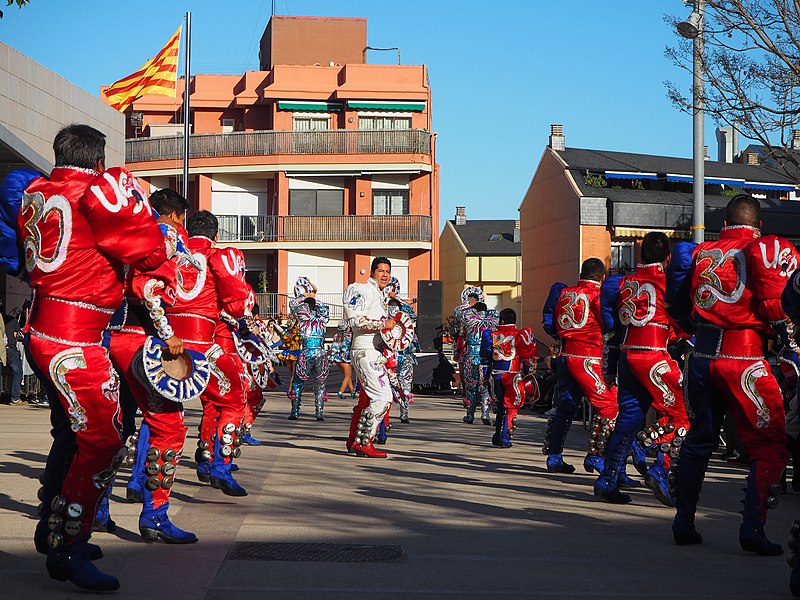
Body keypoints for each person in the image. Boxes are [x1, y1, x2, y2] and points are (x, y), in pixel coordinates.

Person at [20, 124, 169, 591]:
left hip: (41, 326)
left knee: (70, 431)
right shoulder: (96, 193)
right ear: (99, 160)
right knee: (104, 440)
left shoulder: (36, 189)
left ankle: (53, 524)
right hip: (76, 339)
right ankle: (69, 545)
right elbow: (150, 252)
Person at [667, 193, 798, 554]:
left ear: (723, 224)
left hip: (702, 357)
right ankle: (752, 528)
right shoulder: (763, 251)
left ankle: (684, 521)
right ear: (760, 225)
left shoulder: (698, 254)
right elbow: (779, 309)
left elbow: (678, 310)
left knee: (699, 440)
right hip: (744, 360)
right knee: (769, 443)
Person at [110, 187, 199, 544]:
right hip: (141, 340)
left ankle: (97, 511)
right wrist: (167, 334)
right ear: (178, 215)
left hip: (110, 334)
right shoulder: (163, 235)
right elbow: (148, 288)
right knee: (170, 425)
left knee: (113, 426)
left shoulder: (132, 230)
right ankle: (155, 515)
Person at [593, 232, 690, 505]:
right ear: (668, 257)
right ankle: (658, 465)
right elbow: (681, 321)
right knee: (681, 416)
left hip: (627, 356)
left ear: (640, 255)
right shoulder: (667, 282)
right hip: (654, 357)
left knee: (627, 419)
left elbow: (612, 323)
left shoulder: (624, 282)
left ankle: (607, 479)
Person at [171, 211, 255, 497]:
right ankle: (219, 465)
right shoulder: (218, 256)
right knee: (232, 400)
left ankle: (138, 483)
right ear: (216, 235)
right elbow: (235, 307)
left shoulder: (171, 251)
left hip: (164, 342)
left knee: (157, 416)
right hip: (203, 342)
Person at [542, 258, 619, 475]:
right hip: (588, 359)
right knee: (609, 406)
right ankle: (595, 454)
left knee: (565, 407)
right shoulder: (598, 295)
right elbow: (608, 324)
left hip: (565, 356)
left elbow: (550, 323)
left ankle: (554, 456)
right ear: (602, 277)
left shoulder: (565, 293)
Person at [343, 257, 397, 458]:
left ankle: (354, 440)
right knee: (383, 397)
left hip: (372, 351)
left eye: (388, 271)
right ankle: (364, 441)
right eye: (381, 271)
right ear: (373, 272)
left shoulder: (377, 294)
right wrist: (384, 325)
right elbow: (356, 321)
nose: (385, 275)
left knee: (367, 399)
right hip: (365, 350)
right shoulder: (362, 289)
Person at [481, 307, 536, 447]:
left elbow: (486, 359)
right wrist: (528, 372)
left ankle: (497, 434)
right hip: (513, 376)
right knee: (511, 407)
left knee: (500, 406)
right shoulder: (519, 335)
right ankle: (504, 436)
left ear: (502, 320)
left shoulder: (490, 335)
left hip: (496, 375)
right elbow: (527, 357)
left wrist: (485, 378)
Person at [287, 277, 330, 420]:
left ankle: (295, 412)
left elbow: (292, 304)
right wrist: (313, 297)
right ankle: (319, 413)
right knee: (320, 383)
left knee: (298, 383)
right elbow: (323, 307)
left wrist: (304, 296)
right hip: (321, 353)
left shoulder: (302, 317)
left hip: (306, 353)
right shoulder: (322, 318)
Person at [461, 301, 498, 425]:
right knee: (485, 387)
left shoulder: (469, 318)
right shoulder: (492, 320)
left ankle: (470, 415)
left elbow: (458, 312)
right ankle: (485, 414)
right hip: (485, 358)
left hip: (471, 357)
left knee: (471, 387)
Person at [329, 321, 355, 399]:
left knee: (348, 376)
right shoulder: (350, 336)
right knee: (347, 376)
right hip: (345, 358)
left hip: (337, 359)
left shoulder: (336, 336)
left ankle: (352, 391)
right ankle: (340, 392)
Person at [4, 310, 23, 405]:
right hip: (10, 348)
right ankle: (15, 397)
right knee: (17, 372)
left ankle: (3, 395)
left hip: (2, 348)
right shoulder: (12, 320)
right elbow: (16, 335)